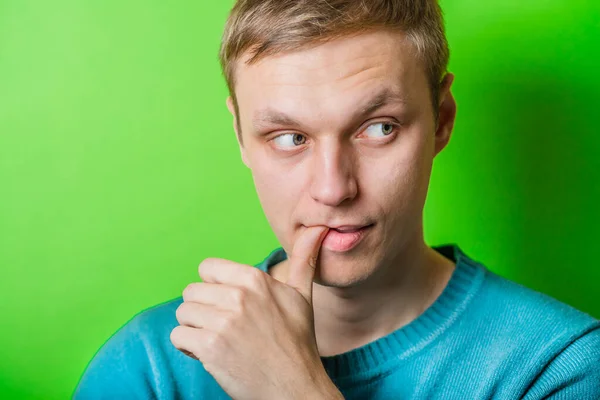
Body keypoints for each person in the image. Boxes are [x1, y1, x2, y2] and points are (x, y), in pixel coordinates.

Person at [74, 1, 600, 399]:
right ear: (239, 134)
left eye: (378, 128)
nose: (333, 188)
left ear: (442, 118)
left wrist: (297, 388)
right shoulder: (152, 368)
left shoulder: (557, 366)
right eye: (289, 137)